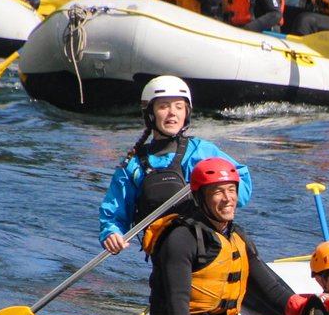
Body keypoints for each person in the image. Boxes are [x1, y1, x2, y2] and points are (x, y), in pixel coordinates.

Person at [148, 157, 295, 315]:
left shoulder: (236, 236)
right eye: (218, 192)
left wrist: (307, 308)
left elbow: (270, 289)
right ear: (200, 198)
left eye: (231, 190)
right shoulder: (181, 239)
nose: (228, 198)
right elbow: (177, 300)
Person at [100, 75, 253, 255]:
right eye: (164, 106)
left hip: (212, 250)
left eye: (179, 107)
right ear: (150, 113)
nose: (172, 112)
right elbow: (115, 214)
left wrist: (219, 194)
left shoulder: (201, 152)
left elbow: (240, 187)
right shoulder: (133, 166)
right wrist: (112, 234)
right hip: (168, 257)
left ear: (186, 113)